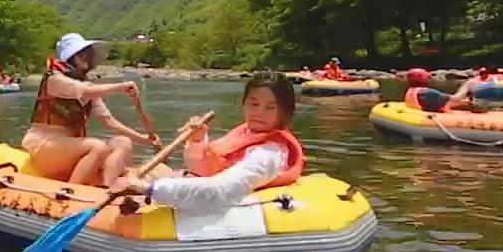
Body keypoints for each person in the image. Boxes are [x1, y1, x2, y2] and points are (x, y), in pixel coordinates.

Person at [108, 73, 304, 213]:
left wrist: (148, 189)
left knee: (142, 176)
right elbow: (200, 170)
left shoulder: (268, 154)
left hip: (220, 204)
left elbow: (217, 191)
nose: (258, 113)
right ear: (244, 104)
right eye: (253, 104)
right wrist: (197, 140)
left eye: (270, 107)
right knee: (136, 170)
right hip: (200, 189)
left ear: (284, 113)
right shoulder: (245, 134)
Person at [23, 32, 157, 185]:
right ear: (70, 58)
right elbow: (83, 91)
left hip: (69, 148)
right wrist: (120, 87)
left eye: (86, 53)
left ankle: (106, 189)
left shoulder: (88, 86)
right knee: (97, 147)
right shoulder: (54, 80)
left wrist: (144, 139)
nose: (85, 57)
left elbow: (109, 121)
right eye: (80, 54)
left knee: (122, 142)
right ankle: (71, 192)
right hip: (43, 145)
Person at [401, 67, 479, 113]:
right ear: (422, 78)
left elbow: (442, 102)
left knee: (465, 103)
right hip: (434, 118)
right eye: (428, 77)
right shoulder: (427, 93)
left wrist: (465, 102)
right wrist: (467, 86)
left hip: (423, 111)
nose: (429, 78)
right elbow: (456, 98)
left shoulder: (411, 90)